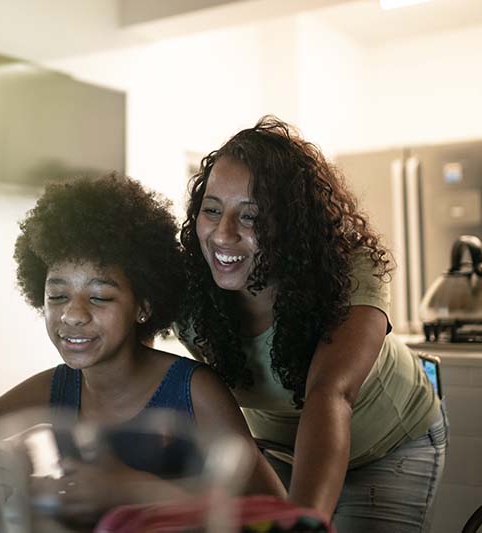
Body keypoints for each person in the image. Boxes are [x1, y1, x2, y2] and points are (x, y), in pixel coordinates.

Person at [176, 116, 447, 532]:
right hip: (276, 452)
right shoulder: (188, 294)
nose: (223, 234)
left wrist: (301, 523)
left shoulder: (347, 271)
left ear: (290, 225)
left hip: (390, 445)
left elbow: (330, 394)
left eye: (250, 217)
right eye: (212, 210)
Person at [0, 173, 285, 524]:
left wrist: (132, 489)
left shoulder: (195, 390)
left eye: (100, 297)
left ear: (143, 306)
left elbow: (276, 514)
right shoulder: (56, 386)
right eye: (57, 296)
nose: (73, 315)